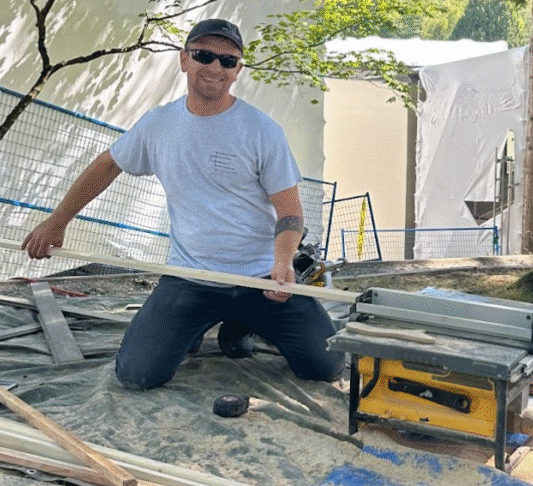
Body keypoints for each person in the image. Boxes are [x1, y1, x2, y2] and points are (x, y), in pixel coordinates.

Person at [22, 18, 344, 390]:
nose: (215, 67)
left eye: (227, 61)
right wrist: (56, 222)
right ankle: (192, 326)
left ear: (237, 71)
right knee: (136, 375)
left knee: (326, 365)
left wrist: (283, 263)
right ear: (184, 59)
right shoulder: (159, 124)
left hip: (262, 277)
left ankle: (242, 323)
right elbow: (108, 164)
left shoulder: (261, 130)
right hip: (191, 278)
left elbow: (290, 212)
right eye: (204, 55)